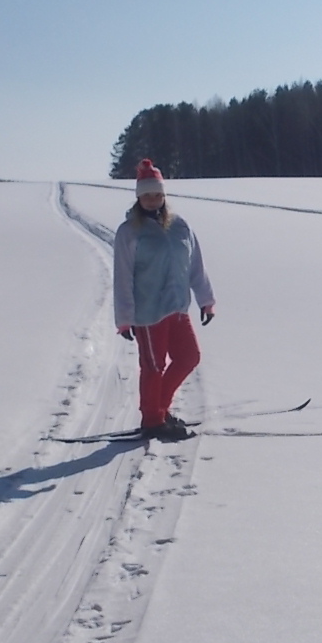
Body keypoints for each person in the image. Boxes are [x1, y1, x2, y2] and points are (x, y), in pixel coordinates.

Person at [112, 159, 216, 441]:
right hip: (147, 313)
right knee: (154, 366)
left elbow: (195, 265)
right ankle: (152, 420)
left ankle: (160, 408)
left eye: (157, 194)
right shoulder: (129, 232)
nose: (152, 199)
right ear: (138, 197)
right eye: (146, 195)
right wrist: (124, 319)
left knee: (188, 357)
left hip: (177, 308)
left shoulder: (181, 226)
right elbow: (122, 278)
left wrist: (205, 299)